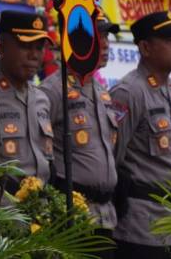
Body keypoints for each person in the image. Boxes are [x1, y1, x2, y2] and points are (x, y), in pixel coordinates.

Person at [110, 11, 171, 259]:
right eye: (169, 40)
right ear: (145, 47)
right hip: (141, 226)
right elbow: (113, 157)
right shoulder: (129, 92)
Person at [41, 13, 120, 256]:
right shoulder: (53, 90)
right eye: (99, 35)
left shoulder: (101, 90)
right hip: (71, 218)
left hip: (106, 217)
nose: (105, 43)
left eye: (107, 36)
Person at [0, 11, 54, 194]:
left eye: (40, 47)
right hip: (2, 210)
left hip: (40, 211)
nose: (34, 55)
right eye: (25, 46)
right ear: (1, 47)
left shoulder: (42, 99)